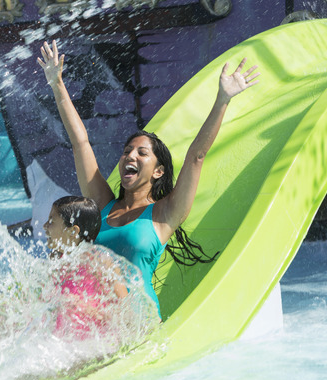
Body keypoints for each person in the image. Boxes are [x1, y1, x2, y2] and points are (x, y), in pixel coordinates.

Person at [38, 40, 259, 317]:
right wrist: (57, 83)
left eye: (142, 153)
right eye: (127, 151)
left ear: (158, 171)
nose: (130, 156)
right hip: (95, 323)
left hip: (135, 326)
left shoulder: (165, 214)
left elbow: (196, 157)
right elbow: (80, 142)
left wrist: (223, 100)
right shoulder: (102, 206)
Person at [43, 195, 129, 339]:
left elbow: (125, 311)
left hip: (96, 342)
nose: (45, 226)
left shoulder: (100, 263)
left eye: (51, 221)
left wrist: (82, 307)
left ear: (72, 231)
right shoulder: (55, 260)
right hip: (63, 341)